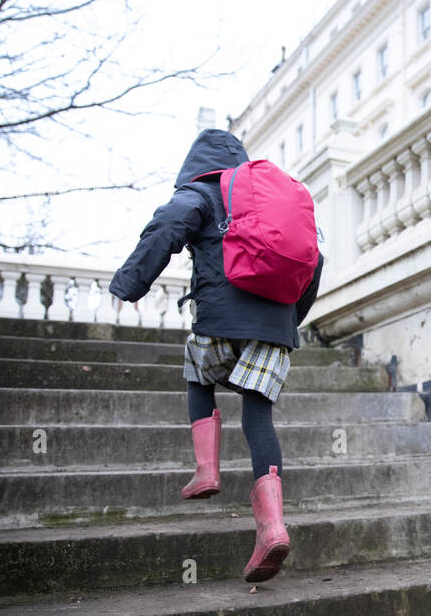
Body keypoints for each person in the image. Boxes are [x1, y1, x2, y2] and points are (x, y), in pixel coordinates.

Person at [109, 128, 324, 583]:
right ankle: (272, 528)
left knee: (197, 373)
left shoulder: (201, 192)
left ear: (196, 165)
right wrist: (289, 322)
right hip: (274, 326)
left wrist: (130, 284)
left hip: (220, 321)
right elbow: (314, 259)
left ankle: (206, 470)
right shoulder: (272, 198)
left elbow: (167, 228)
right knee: (258, 416)